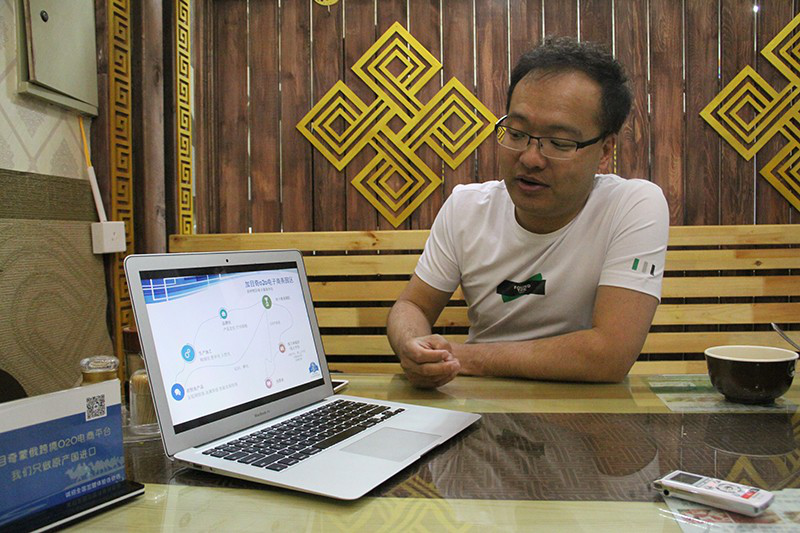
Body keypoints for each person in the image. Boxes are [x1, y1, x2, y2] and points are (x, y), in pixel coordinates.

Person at [386, 37, 669, 388]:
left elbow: (609, 355)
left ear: (605, 150)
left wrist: (462, 357)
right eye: (517, 133)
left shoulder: (632, 206)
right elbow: (412, 305)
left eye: (559, 142)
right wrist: (412, 345)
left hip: (588, 409)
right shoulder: (466, 208)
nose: (531, 158)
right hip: (480, 402)